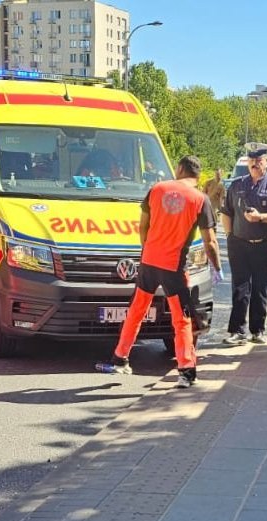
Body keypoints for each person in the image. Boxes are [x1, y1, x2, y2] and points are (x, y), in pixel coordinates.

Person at [96, 155, 223, 388]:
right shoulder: (200, 199)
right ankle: (186, 371)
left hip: (149, 262)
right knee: (181, 318)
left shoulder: (157, 189)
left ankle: (120, 359)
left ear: (180, 169)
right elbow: (210, 241)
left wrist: (148, 250)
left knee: (136, 310)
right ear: (197, 175)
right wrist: (217, 267)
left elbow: (143, 225)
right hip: (174, 266)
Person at [220, 148, 267, 345]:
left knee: (260, 288)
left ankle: (257, 330)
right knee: (240, 288)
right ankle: (237, 331)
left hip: (265, 245)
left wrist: (261, 217)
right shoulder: (237, 184)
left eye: (258, 160)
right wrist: (229, 236)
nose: (254, 164)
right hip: (239, 244)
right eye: (251, 160)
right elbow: (226, 212)